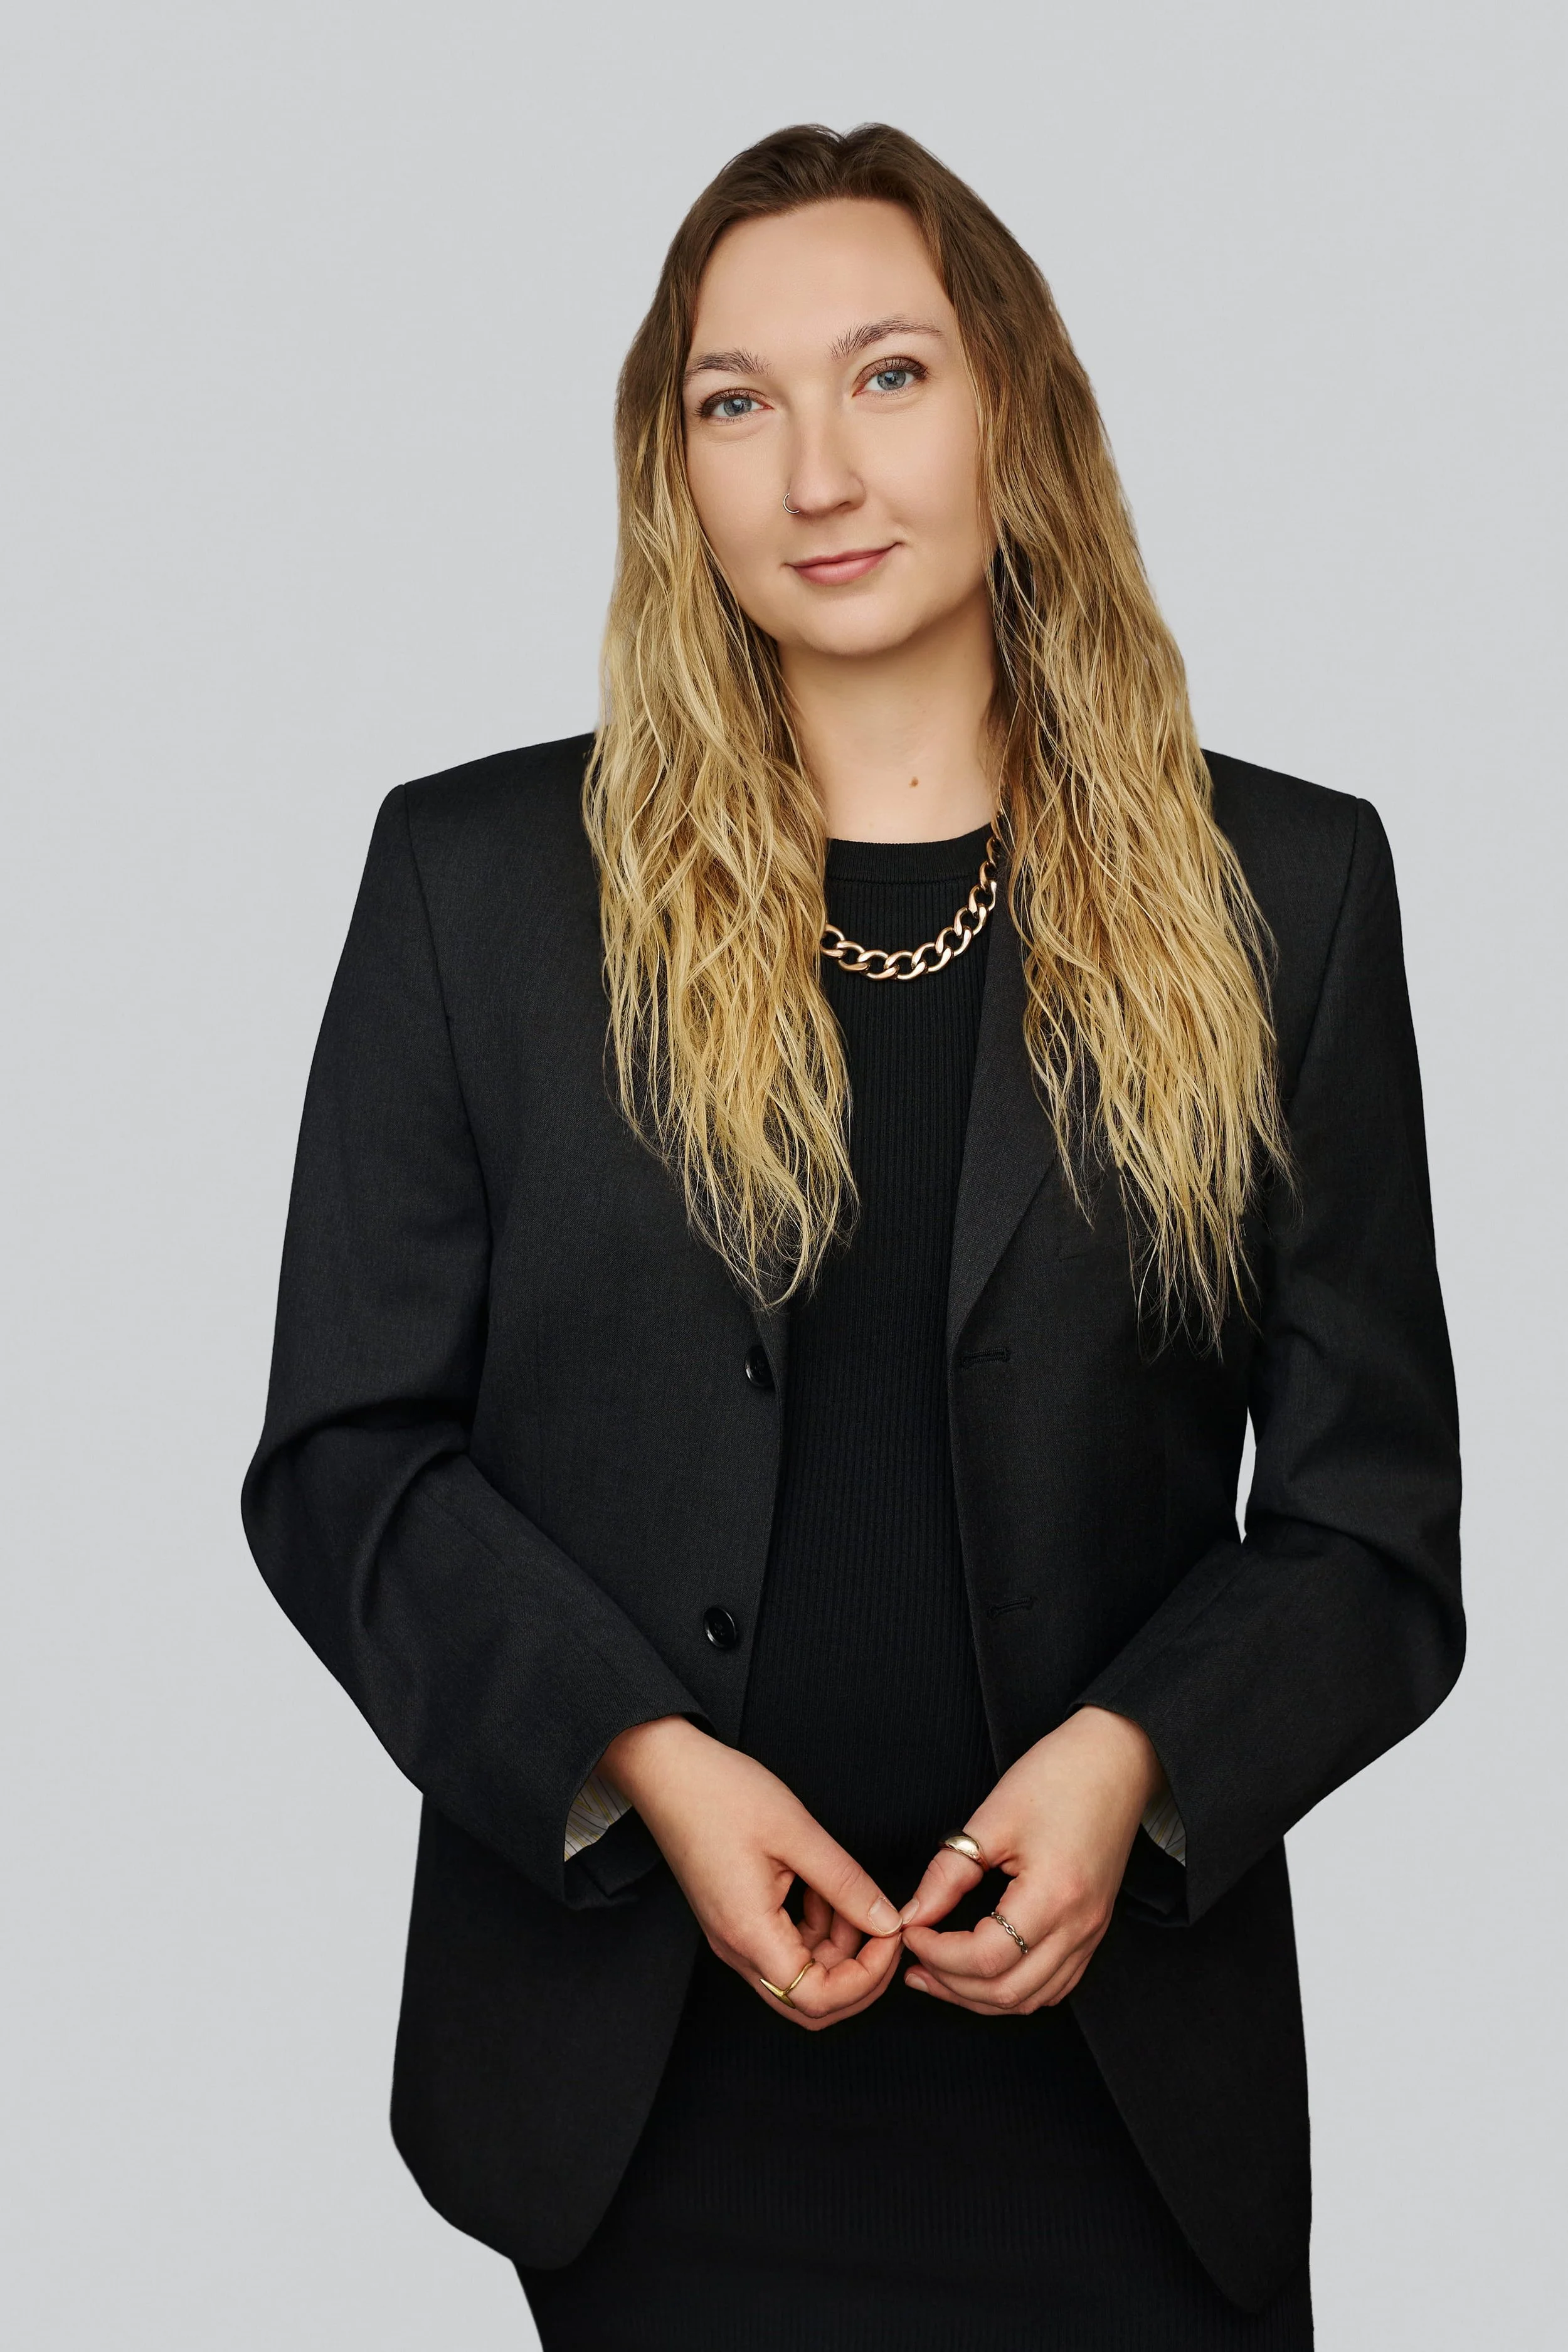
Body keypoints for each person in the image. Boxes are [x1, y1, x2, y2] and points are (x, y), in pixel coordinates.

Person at [242, 122, 1463, 2349]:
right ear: (670, 467)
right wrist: (643, 1763)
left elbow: (1373, 1525)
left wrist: (1139, 1763)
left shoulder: (1288, 894)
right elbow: (346, 1464)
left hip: (1121, 2102)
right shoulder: (481, 891)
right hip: (650, 2094)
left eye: (886, 375)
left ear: (1013, 406)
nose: (816, 466)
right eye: (735, 401)